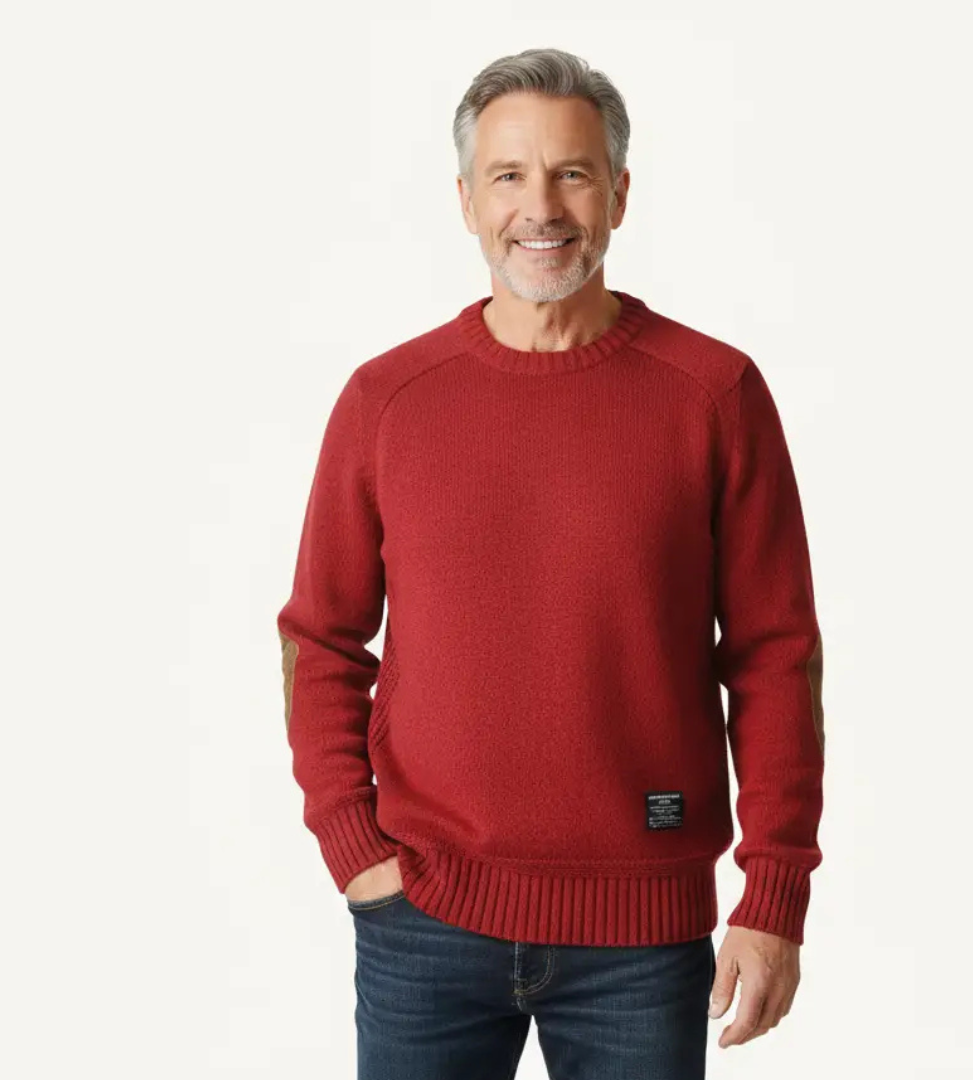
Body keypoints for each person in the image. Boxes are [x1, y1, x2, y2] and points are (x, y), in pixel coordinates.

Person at [276, 46, 825, 1080]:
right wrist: (353, 847)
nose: (541, 207)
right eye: (509, 176)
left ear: (619, 193)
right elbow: (320, 640)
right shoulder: (388, 401)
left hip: (643, 937)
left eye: (572, 173)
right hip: (423, 920)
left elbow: (774, 654)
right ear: (466, 201)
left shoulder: (713, 395)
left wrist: (775, 893)